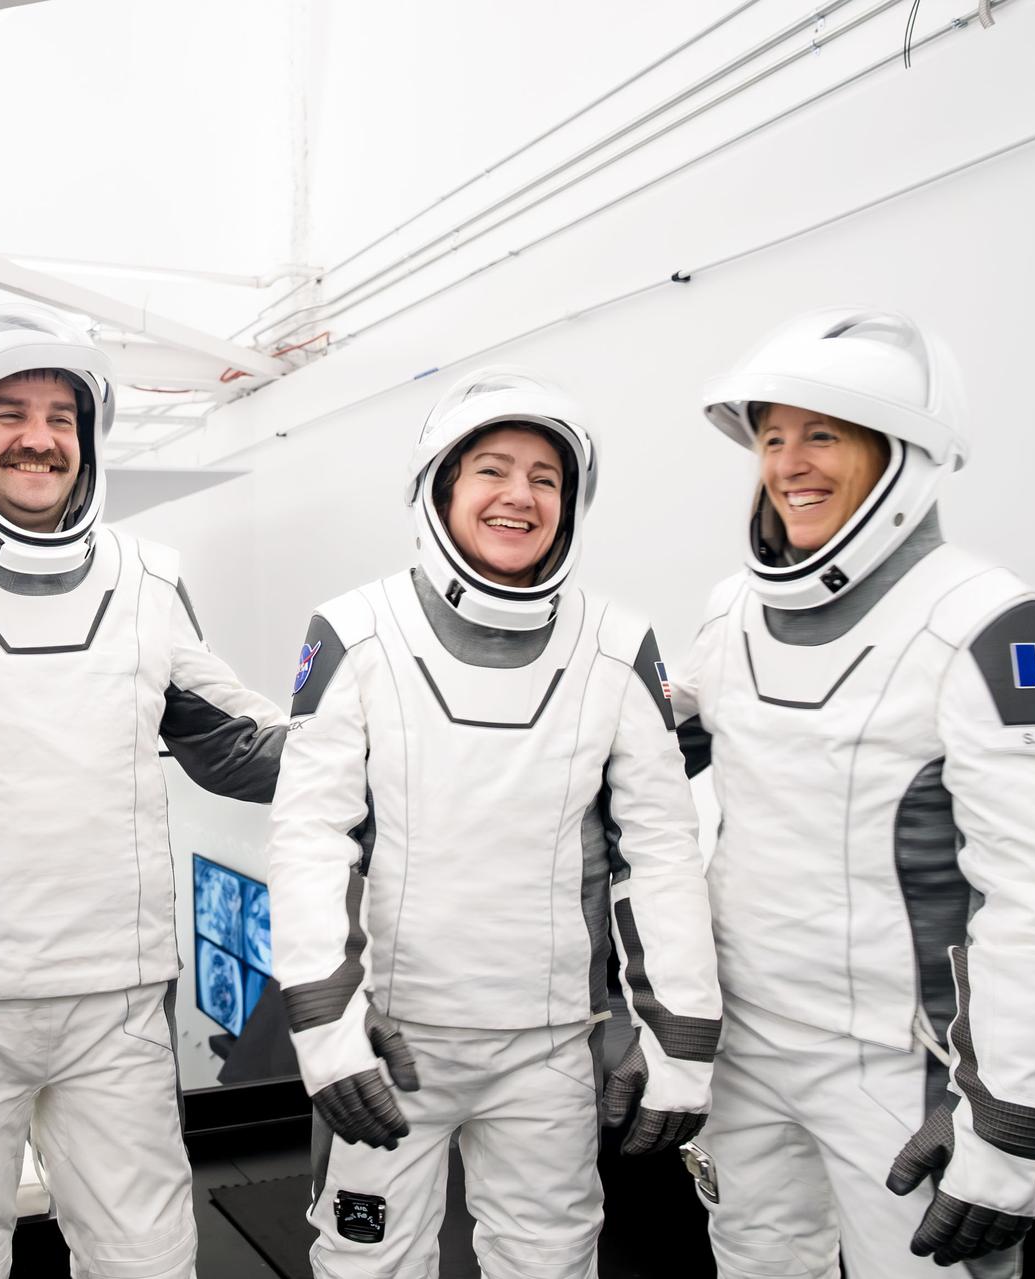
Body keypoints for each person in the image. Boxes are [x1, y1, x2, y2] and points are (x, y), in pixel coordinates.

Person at [0, 302, 288, 1279]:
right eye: (8, 412)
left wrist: (402, 736)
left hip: (116, 996)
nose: (40, 437)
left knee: (151, 1257)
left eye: (61, 415)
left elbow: (235, 748)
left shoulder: (149, 577)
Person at [267, 368, 722, 1279]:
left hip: (549, 1049)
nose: (520, 495)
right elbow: (311, 839)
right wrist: (327, 1028)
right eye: (492, 469)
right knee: (366, 1266)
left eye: (546, 479)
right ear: (441, 487)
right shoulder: (354, 631)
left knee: (551, 1265)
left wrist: (680, 1039)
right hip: (391, 1042)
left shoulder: (616, 642)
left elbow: (659, 851)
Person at [670, 307, 1035, 1276]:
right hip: (746, 1053)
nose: (790, 463)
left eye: (822, 432)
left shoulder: (993, 621)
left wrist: (1011, 1129)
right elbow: (680, 735)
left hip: (902, 1074)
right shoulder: (732, 606)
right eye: (773, 438)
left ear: (904, 453)